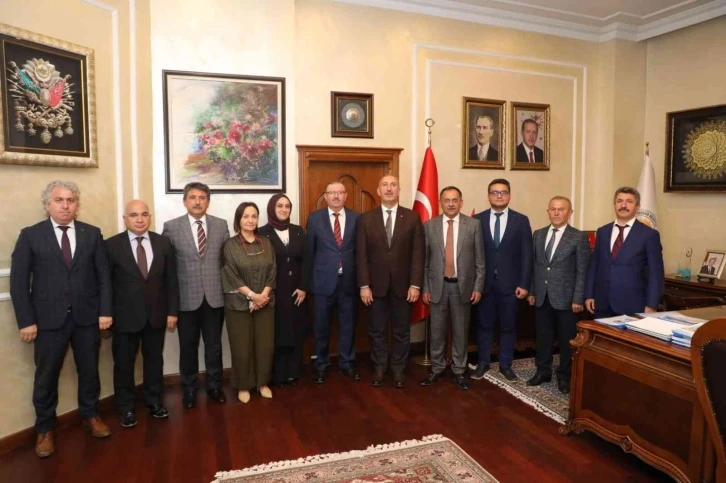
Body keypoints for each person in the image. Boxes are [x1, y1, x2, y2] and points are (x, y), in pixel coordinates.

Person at [10, 181, 112, 458]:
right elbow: (19, 283)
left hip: (87, 318)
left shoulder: (92, 234)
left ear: (77, 205)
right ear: (47, 204)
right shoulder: (31, 235)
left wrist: (105, 311)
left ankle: (91, 415)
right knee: (46, 376)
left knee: (89, 371)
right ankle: (44, 429)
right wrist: (26, 321)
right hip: (47, 321)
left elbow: (103, 277)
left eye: (71, 200)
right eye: (59, 200)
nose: (65, 205)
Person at [106, 200, 179, 428]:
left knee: (154, 362)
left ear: (150, 217)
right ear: (125, 219)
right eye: (134, 215)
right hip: (124, 318)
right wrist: (106, 314)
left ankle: (154, 401)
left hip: (156, 315)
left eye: (144, 214)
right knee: (123, 365)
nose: (140, 219)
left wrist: (172, 312)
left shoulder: (163, 243)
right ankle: (126, 407)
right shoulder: (111, 245)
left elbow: (171, 280)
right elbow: (105, 284)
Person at [162, 182, 229, 408]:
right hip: (186, 299)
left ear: (208, 201)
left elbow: (226, 261)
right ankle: (189, 390)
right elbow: (167, 267)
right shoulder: (171, 227)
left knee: (214, 347)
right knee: (188, 347)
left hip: (215, 297)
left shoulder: (221, 225)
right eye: (192, 197)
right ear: (185, 201)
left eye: (202, 197)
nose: (197, 202)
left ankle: (214, 387)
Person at [356, 175, 425, 388]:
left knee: (401, 332)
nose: (389, 189)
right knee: (376, 330)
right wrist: (364, 285)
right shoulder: (366, 219)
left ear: (399, 190)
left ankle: (398, 369)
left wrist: (415, 285)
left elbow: (418, 254)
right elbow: (361, 255)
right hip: (374, 288)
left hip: (403, 288)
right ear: (378, 190)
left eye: (393, 185)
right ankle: (379, 367)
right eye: (384, 185)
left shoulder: (412, 217)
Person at [420, 186, 485, 390]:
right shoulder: (429, 225)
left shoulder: (473, 225)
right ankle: (437, 368)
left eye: (454, 200)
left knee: (460, 332)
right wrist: (425, 287)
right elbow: (425, 261)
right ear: (440, 202)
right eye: (446, 200)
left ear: (461, 203)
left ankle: (459, 370)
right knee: (436, 332)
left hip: (462, 287)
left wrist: (478, 287)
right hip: (437, 287)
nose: (450, 204)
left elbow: (480, 261)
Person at [526, 196, 589, 394]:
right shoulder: (538, 234)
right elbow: (535, 266)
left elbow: (582, 271)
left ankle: (565, 376)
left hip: (567, 299)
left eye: (561, 209)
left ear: (569, 213)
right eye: (552, 209)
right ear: (548, 211)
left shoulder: (578, 237)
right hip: (542, 296)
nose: (556, 212)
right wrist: (532, 291)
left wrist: (578, 298)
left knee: (566, 340)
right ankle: (543, 371)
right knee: (543, 337)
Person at [473, 179, 532, 381]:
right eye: (495, 192)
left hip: (511, 286)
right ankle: (483, 363)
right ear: (488, 196)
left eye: (503, 192)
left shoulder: (520, 220)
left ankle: (506, 365)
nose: (499, 196)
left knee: (508, 327)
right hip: (484, 285)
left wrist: (524, 284)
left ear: (509, 195)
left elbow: (527, 255)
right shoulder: (477, 220)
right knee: (484, 326)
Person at [305, 181, 360, 383]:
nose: (336, 196)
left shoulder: (357, 218)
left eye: (340, 192)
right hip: (322, 283)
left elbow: (361, 251)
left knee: (348, 326)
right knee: (321, 327)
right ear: (325, 197)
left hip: (349, 282)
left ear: (346, 196)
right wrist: (307, 284)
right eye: (332, 193)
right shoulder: (314, 218)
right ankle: (321, 365)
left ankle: (347, 363)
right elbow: (309, 253)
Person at [222, 202, 276, 403]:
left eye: (254, 216)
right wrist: (253, 295)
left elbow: (273, 271)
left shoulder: (266, 243)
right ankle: (243, 386)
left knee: (264, 346)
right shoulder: (230, 245)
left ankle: (262, 383)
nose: (250, 220)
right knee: (241, 348)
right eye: (246, 216)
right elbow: (230, 274)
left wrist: (263, 295)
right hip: (238, 304)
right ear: (238, 219)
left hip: (265, 303)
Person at [585, 187, 664, 318]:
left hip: (633, 305)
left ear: (637, 207)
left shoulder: (649, 235)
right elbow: (594, 265)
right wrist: (589, 294)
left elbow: (655, 273)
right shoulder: (603, 231)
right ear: (614, 205)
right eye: (619, 201)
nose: (623, 205)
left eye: (629, 201)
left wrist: (651, 304)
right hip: (602, 303)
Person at [258, 194, 308, 386]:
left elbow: (307, 260)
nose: (284, 209)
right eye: (279, 206)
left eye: (287, 206)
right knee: (277, 332)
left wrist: (303, 286)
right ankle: (278, 375)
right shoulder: (262, 233)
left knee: (296, 331)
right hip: (274, 292)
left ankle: (293, 372)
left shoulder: (298, 231)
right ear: (272, 208)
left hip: (297, 292)